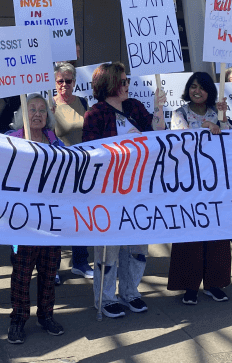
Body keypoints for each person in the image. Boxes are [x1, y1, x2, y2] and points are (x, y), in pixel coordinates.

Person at [82, 62, 166, 318]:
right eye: (123, 81)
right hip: (109, 191)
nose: (127, 85)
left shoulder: (134, 107)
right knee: (109, 249)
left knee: (138, 246)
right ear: (109, 84)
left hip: (139, 189)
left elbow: (156, 134)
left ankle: (131, 292)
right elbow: (89, 153)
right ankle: (105, 298)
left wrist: (159, 108)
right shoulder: (95, 114)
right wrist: (120, 143)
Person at [167, 72, 231, 304]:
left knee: (216, 235)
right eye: (193, 86)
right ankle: (189, 287)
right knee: (190, 235)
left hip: (215, 184)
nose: (197, 91)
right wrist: (206, 127)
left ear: (209, 91)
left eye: (202, 88)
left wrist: (221, 120)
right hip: (188, 184)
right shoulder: (179, 113)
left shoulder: (217, 112)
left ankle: (214, 284)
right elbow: (181, 140)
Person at [6, 94, 65, 343]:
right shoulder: (9, 142)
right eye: (32, 110)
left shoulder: (57, 143)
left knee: (49, 271)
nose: (38, 114)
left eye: (42, 110)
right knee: (21, 274)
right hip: (23, 221)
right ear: (23, 115)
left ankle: (46, 315)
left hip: (50, 220)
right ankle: (18, 319)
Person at [49, 62, 93, 279]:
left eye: (68, 81)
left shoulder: (83, 102)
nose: (64, 85)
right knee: (58, 216)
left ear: (75, 82)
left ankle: (81, 262)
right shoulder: (49, 105)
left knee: (81, 215)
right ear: (54, 82)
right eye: (60, 81)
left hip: (82, 168)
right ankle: (53, 266)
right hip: (59, 169)